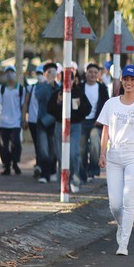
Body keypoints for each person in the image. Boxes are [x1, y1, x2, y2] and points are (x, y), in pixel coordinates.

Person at [97, 65, 134, 256]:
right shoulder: (111, 104)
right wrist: (102, 153)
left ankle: (124, 243)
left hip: (133, 155)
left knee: (128, 199)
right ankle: (122, 225)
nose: (129, 83)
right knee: (114, 204)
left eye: (133, 79)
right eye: (126, 79)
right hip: (113, 155)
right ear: (121, 80)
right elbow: (105, 131)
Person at [46, 62, 91, 193]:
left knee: (74, 153)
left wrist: (79, 107)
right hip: (60, 125)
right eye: (65, 80)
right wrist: (58, 103)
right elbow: (49, 109)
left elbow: (87, 109)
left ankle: (75, 179)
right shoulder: (58, 93)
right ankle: (64, 182)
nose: (68, 83)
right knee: (61, 155)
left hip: (75, 125)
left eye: (70, 80)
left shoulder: (79, 92)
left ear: (74, 80)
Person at [80, 63, 109, 183]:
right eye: (90, 72)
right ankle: (82, 172)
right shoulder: (80, 87)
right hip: (82, 121)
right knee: (81, 147)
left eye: (95, 72)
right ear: (86, 73)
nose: (92, 74)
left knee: (95, 142)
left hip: (96, 122)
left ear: (98, 74)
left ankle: (92, 170)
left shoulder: (102, 88)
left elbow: (106, 106)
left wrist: (99, 120)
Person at [0, 66, 26, 177]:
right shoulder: (1, 88)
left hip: (16, 121)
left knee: (16, 143)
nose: (9, 74)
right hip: (3, 122)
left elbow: (23, 105)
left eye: (11, 72)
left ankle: (15, 163)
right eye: (7, 72)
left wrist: (23, 119)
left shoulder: (20, 89)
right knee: (3, 146)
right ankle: (6, 165)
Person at [34, 63, 60, 184]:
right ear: (45, 73)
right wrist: (47, 83)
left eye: (54, 72)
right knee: (43, 149)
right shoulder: (40, 86)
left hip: (54, 121)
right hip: (42, 122)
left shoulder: (59, 87)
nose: (52, 74)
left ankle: (53, 171)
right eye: (50, 72)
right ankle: (45, 174)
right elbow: (38, 96)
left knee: (53, 149)